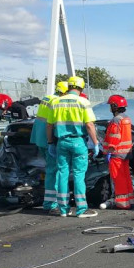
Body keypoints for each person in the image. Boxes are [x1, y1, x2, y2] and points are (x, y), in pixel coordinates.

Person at [46, 77, 99, 217]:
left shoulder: (55, 102)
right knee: (78, 175)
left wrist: (50, 143)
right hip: (78, 142)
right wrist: (95, 143)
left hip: (61, 142)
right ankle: (81, 209)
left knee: (62, 174)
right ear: (81, 88)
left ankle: (63, 209)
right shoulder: (83, 102)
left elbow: (49, 125)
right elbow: (89, 125)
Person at [33, 81, 68, 211]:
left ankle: (51, 201)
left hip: (39, 139)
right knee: (54, 171)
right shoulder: (57, 102)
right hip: (49, 141)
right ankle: (51, 203)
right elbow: (52, 124)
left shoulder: (47, 98)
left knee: (51, 170)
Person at [103, 94, 134, 209]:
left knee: (118, 178)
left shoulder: (116, 120)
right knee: (126, 177)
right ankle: (129, 200)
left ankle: (122, 203)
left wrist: (109, 151)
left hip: (116, 153)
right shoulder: (126, 118)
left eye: (111, 105)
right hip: (126, 154)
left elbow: (114, 137)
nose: (110, 108)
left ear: (115, 106)